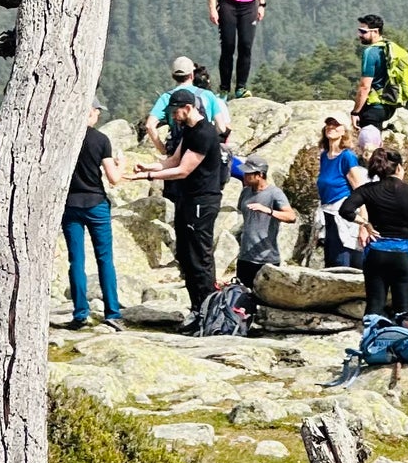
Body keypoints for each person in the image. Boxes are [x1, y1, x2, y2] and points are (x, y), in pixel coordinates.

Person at [134, 90, 225, 323]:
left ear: (187, 107)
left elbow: (184, 170)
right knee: (185, 254)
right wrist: (149, 167)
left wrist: (150, 179)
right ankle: (196, 307)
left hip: (202, 201)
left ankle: (207, 310)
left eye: (176, 111)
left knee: (199, 256)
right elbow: (173, 160)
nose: (174, 116)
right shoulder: (189, 131)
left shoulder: (204, 132)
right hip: (187, 198)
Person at [346, 146, 408, 321]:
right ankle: (403, 344)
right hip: (404, 254)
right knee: (404, 310)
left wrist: (365, 223)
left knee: (374, 306)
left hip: (376, 252)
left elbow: (345, 210)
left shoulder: (367, 190)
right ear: (399, 167)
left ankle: (372, 344)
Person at [63, 104, 124, 330]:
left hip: (70, 204)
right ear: (90, 112)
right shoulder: (101, 140)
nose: (98, 114)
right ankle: (112, 312)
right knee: (105, 258)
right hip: (96, 203)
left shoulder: (65, 137)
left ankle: (80, 313)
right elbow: (114, 178)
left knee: (76, 260)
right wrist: (121, 164)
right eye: (97, 111)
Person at [234, 157, 296, 290]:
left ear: (260, 175)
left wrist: (268, 210)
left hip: (266, 260)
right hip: (245, 257)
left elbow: (291, 217)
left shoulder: (275, 193)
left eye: (248, 173)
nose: (244, 176)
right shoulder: (245, 191)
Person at [145, 58, 231, 152]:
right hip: (203, 151)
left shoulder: (167, 97)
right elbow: (221, 128)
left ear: (173, 76)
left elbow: (149, 125)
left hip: (178, 152)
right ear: (192, 75)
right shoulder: (207, 95)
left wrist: (163, 150)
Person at [314, 117, 362, 267]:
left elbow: (360, 190)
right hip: (327, 214)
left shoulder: (347, 157)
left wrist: (364, 224)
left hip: (342, 214)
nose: (331, 127)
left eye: (336, 125)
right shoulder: (324, 156)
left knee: (341, 261)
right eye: (328, 124)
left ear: (344, 131)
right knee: (331, 260)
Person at [352, 14, 395, 132]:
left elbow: (364, 87)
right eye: (359, 31)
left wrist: (355, 112)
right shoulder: (389, 48)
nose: (359, 35)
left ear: (375, 31)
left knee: (369, 147)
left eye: (363, 31)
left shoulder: (370, 52)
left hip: (373, 109)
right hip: (388, 106)